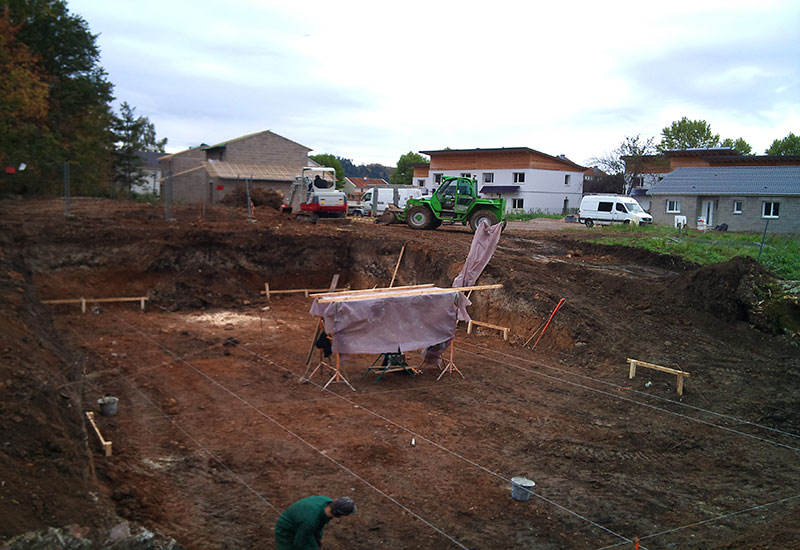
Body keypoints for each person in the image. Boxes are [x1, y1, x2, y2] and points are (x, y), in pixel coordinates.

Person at [275, 495, 356, 549]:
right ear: (341, 516)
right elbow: (299, 543)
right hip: (286, 529)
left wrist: (318, 538)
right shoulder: (310, 523)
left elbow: (319, 524)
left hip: (302, 523)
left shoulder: (328, 503)